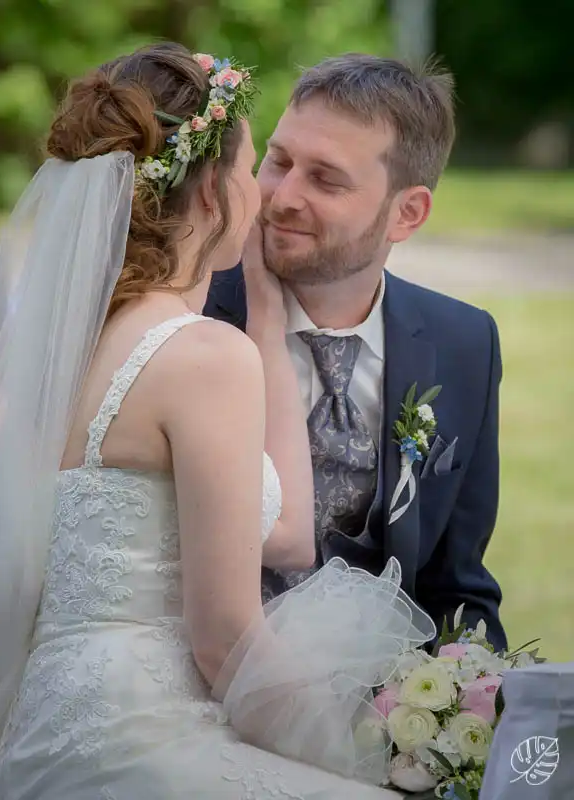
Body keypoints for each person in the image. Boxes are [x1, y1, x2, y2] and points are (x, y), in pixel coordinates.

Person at [0, 43, 435, 799]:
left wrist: (263, 316)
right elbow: (226, 640)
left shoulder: (81, 343)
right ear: (210, 194)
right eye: (253, 168)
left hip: (58, 739)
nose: (265, 197)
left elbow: (289, 534)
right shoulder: (200, 358)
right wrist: (362, 756)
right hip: (141, 747)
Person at [204, 54, 506, 650]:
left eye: (326, 179)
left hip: (380, 704)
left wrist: (474, 712)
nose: (283, 197)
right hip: (208, 676)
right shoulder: (190, 315)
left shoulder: (464, 343)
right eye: (279, 160)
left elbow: (457, 586)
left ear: (407, 213)